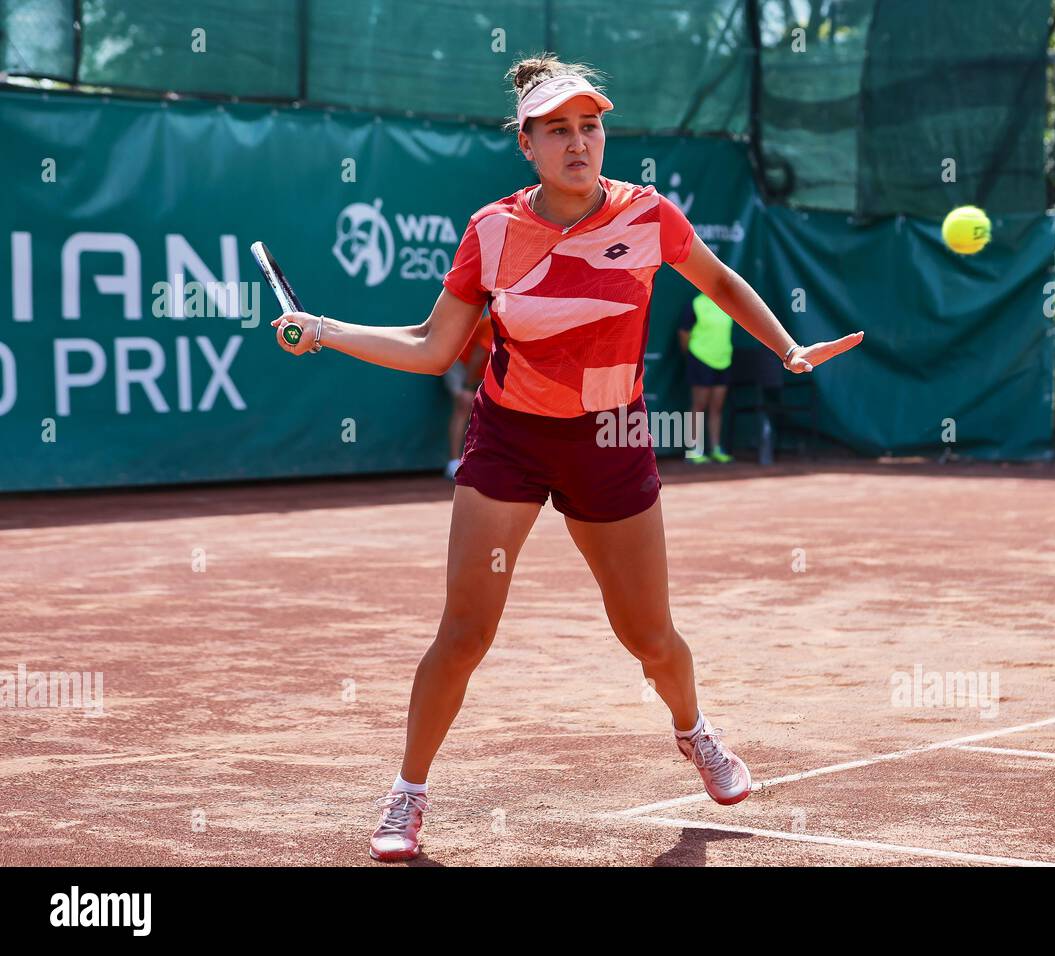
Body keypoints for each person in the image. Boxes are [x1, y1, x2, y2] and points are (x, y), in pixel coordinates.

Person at [271, 54, 863, 862]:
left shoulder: (649, 216)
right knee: (465, 631)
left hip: (610, 441)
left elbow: (719, 283)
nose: (580, 142)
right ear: (528, 144)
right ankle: (408, 793)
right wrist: (330, 330)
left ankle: (694, 731)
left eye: (591, 126)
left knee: (649, 636)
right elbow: (432, 344)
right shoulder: (493, 230)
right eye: (558, 129)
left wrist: (789, 349)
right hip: (510, 440)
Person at [678, 290, 734, 463]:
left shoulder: (728, 304)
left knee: (717, 406)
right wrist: (691, 355)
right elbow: (684, 333)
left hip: (723, 360)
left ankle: (716, 448)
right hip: (700, 359)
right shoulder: (696, 304)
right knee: (699, 405)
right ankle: (695, 449)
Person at [443, 312, 493, 479]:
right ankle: (453, 463)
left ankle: (483, 462)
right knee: (464, 405)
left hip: (485, 371)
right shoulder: (493, 323)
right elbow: (477, 357)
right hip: (460, 363)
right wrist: (468, 386)